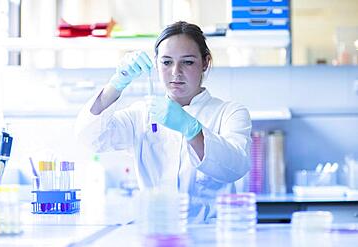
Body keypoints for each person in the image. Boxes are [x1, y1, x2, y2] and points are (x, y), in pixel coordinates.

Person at [75, 21, 252, 223]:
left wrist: (192, 130)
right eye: (167, 62)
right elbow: (89, 138)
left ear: (205, 62)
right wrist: (116, 84)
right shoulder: (141, 114)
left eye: (188, 62)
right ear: (156, 63)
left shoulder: (229, 112)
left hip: (209, 235)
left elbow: (236, 166)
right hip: (157, 234)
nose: (176, 72)